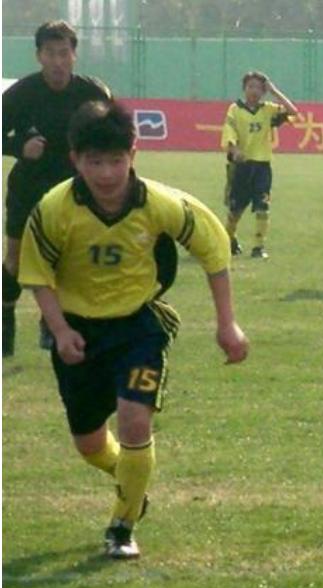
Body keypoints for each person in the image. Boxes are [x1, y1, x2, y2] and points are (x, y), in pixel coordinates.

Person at [17, 100, 250, 559]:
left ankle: (122, 526)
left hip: (139, 327)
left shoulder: (159, 203)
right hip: (78, 332)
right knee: (87, 443)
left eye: (117, 161)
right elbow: (35, 271)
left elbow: (214, 250)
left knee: (134, 419)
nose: (106, 174)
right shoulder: (55, 209)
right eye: (95, 162)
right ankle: (132, 482)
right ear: (75, 160)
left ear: (134, 155)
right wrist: (60, 329)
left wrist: (228, 324)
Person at [2, 20, 112, 357]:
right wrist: (20, 146)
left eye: (64, 53)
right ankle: (5, 319)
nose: (58, 61)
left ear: (74, 55)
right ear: (39, 56)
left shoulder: (93, 93)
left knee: (65, 258)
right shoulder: (21, 93)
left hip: (73, 188)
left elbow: (114, 134)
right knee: (16, 259)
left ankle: (51, 324)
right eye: (50, 53)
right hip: (29, 186)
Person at [220, 71, 297, 259]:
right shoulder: (235, 109)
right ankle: (229, 238)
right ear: (244, 89)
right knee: (235, 211)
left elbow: (293, 111)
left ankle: (258, 246)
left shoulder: (268, 109)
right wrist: (234, 150)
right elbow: (229, 131)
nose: (254, 91)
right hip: (242, 168)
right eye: (250, 86)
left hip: (262, 167)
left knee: (263, 207)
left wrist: (275, 91)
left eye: (258, 87)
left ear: (263, 91)